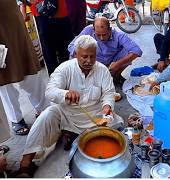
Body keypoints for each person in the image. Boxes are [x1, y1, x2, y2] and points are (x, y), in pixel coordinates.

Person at [16, 35, 124, 178]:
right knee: (47, 115)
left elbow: (109, 93)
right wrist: (65, 94)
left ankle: (69, 135)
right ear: (76, 54)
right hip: (68, 116)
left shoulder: (102, 70)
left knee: (118, 129)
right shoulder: (65, 68)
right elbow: (50, 92)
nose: (89, 61)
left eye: (92, 57)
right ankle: (26, 163)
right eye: (84, 56)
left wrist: (107, 107)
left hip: (96, 117)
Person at [0, 0, 50, 136]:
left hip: (14, 25)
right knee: (5, 79)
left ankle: (44, 109)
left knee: (30, 70)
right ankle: (16, 119)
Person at [68, 16, 143, 83]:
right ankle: (85, 76)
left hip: (111, 62)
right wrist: (84, 60)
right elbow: (71, 46)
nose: (101, 38)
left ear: (110, 29)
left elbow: (137, 50)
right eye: (98, 35)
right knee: (75, 53)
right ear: (93, 30)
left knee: (128, 51)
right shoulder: (88, 30)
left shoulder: (119, 34)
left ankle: (116, 76)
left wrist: (118, 64)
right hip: (93, 61)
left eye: (104, 34)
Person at [28, 0, 73, 75]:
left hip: (61, 13)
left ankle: (68, 78)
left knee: (65, 50)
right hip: (43, 13)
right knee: (50, 53)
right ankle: (55, 81)